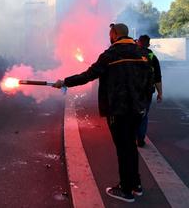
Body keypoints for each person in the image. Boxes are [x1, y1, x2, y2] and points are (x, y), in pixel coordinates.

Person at [53, 23, 153, 203]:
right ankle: (136, 185)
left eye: (110, 32)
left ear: (115, 34)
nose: (109, 35)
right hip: (138, 111)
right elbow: (150, 84)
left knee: (123, 149)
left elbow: (88, 75)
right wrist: (143, 105)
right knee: (130, 146)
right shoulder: (143, 54)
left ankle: (125, 190)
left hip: (118, 111)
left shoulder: (110, 55)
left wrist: (65, 82)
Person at [136, 35, 163, 147]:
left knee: (130, 113)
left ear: (138, 43)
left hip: (133, 90)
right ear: (149, 44)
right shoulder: (152, 57)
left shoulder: (132, 54)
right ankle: (140, 139)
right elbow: (157, 77)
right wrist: (160, 93)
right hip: (147, 91)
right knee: (144, 114)